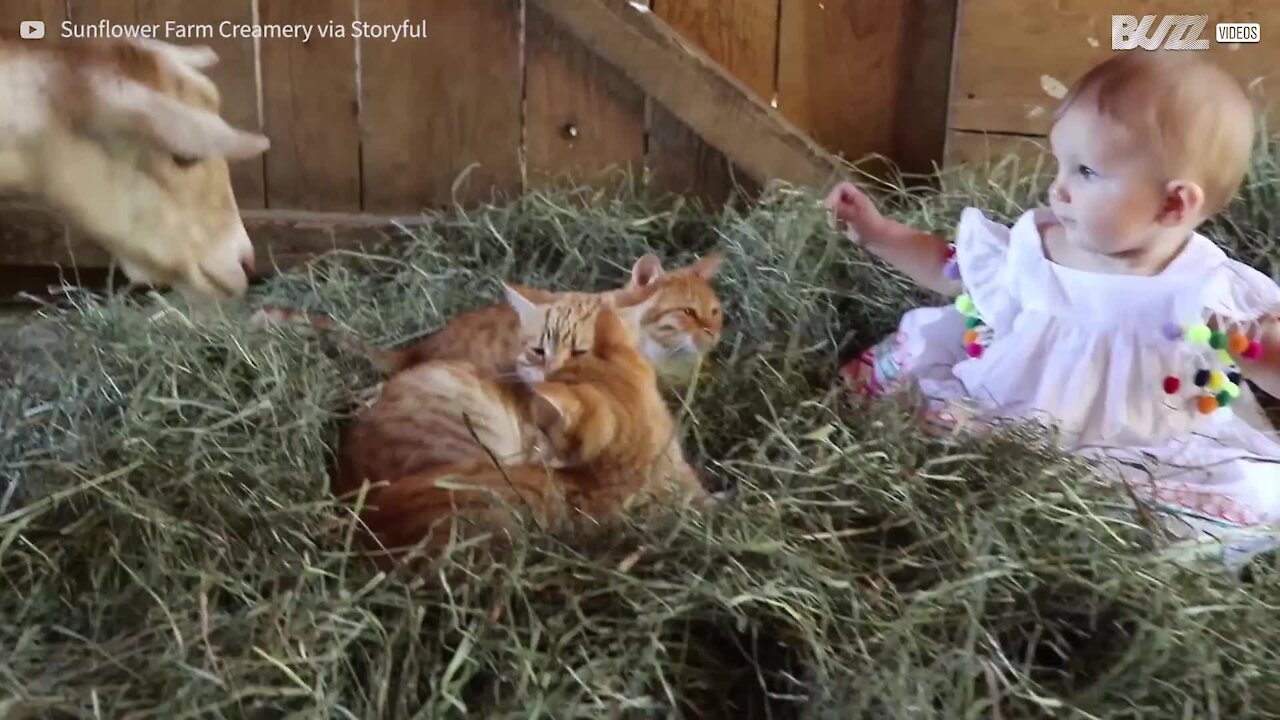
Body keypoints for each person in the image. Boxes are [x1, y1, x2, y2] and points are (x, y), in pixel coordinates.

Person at [825, 51, 1280, 566]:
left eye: (1085, 171)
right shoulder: (1038, 247)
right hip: (1011, 412)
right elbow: (953, 272)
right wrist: (881, 234)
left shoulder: (1208, 291)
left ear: (1173, 205)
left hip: (1142, 445)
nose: (1056, 188)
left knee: (1225, 502)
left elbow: (1266, 362)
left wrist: (1262, 354)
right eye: (1060, 163)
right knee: (931, 422)